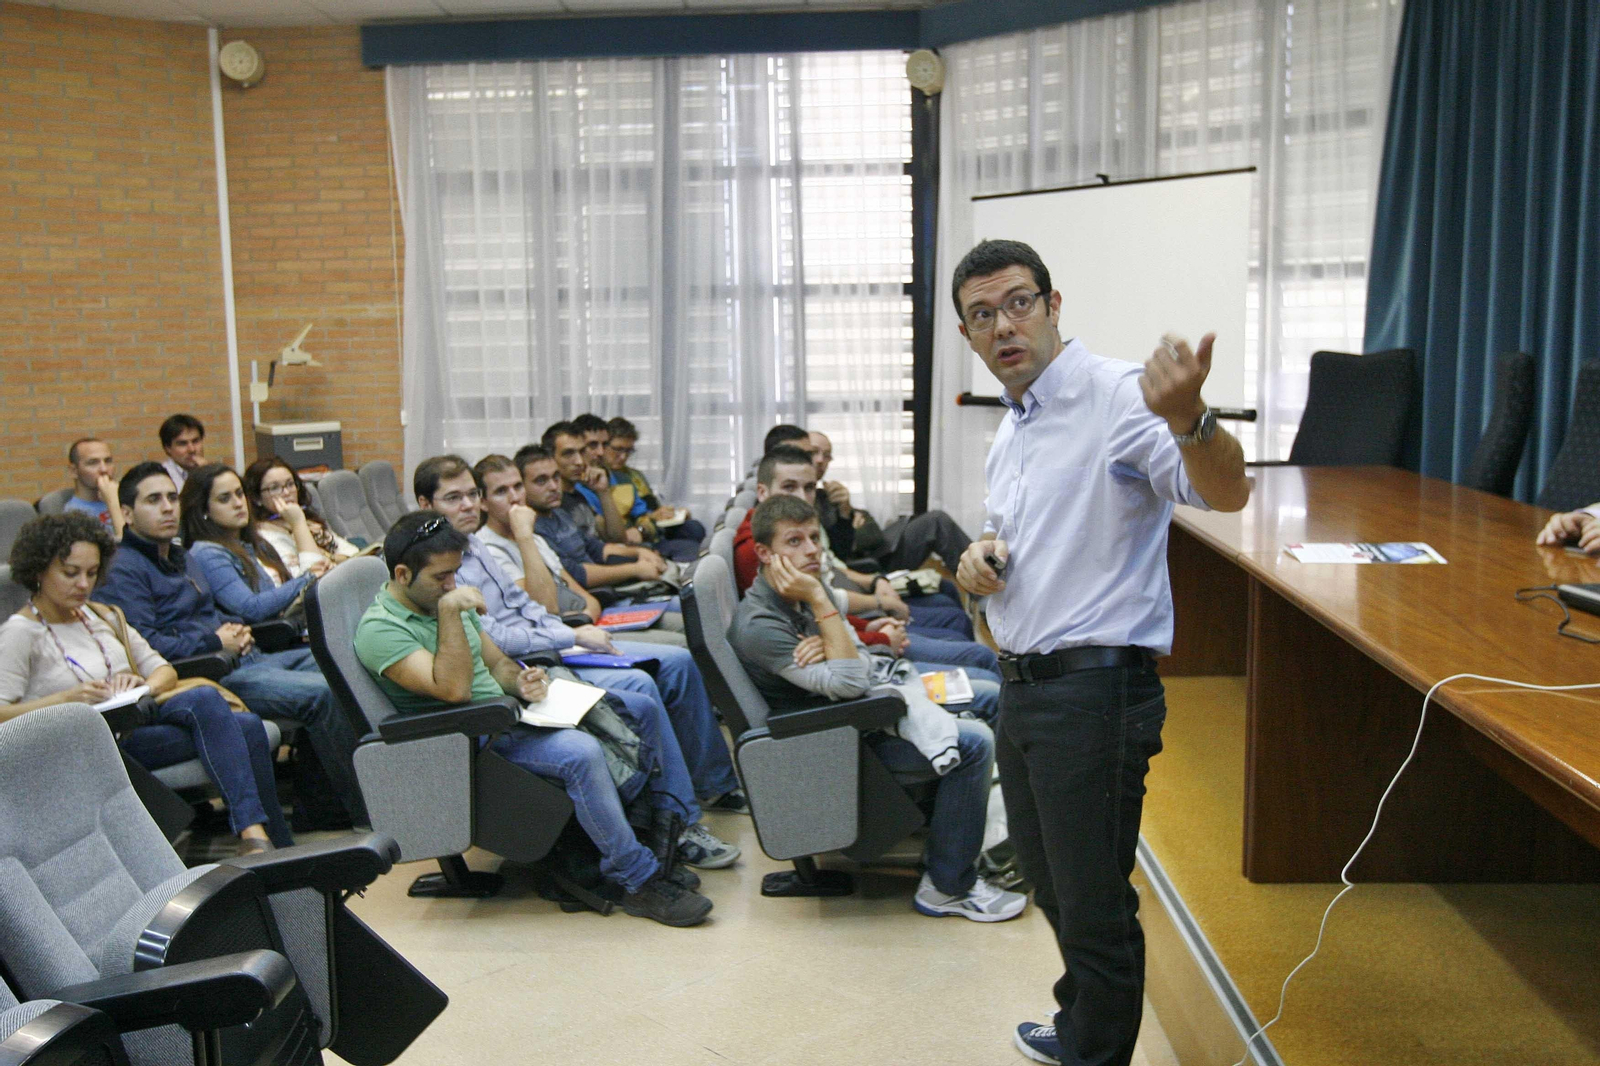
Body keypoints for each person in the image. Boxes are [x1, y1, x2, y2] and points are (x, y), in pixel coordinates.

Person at [949, 239, 1250, 1066]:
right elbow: (1011, 541)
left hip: (1094, 695)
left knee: (1092, 900)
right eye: (982, 315)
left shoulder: (1119, 396)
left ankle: (1097, 1055)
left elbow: (1227, 491)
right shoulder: (1012, 429)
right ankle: (1081, 1023)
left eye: (1017, 303)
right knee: (1050, 882)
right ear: (969, 336)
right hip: (1024, 687)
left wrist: (1191, 418)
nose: (1003, 325)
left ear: (1052, 305)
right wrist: (979, 561)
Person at [353, 512, 714, 926]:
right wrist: (451, 613)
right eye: (441, 577)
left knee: (641, 708)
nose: (452, 584)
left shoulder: (440, 597)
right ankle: (637, 878)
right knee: (580, 753)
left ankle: (660, 838)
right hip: (470, 738)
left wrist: (521, 681)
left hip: (511, 714)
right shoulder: (380, 630)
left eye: (455, 573)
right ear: (402, 573)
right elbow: (453, 690)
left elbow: (497, 664)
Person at [415, 455, 748, 844]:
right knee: (642, 689)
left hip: (550, 646)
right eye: (454, 498)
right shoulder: (437, 564)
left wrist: (565, 630)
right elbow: (494, 638)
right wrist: (569, 636)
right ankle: (679, 823)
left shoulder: (472, 544)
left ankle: (713, 785)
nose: (469, 505)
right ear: (426, 506)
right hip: (520, 669)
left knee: (677, 661)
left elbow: (526, 607)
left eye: (471, 494)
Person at [730, 495, 1025, 922]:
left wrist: (841, 632)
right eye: (794, 541)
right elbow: (848, 683)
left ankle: (971, 830)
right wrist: (820, 602)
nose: (812, 550)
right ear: (763, 553)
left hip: (866, 701)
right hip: (838, 738)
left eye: (814, 537)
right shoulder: (763, 622)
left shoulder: (794, 588)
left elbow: (845, 641)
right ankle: (947, 885)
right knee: (976, 742)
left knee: (989, 695)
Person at [93, 461, 368, 828]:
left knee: (347, 664)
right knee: (326, 693)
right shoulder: (123, 569)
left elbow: (215, 613)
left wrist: (234, 630)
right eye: (153, 500)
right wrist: (215, 640)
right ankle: (360, 809)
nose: (167, 507)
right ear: (126, 512)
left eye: (171, 498)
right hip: (211, 678)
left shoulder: (181, 557)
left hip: (248, 657)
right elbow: (147, 646)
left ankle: (319, 799)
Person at [0, 512, 291, 854]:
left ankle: (263, 842)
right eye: (70, 573)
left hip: (139, 718)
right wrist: (68, 698)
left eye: (92, 574)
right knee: (239, 723)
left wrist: (141, 686)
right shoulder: (20, 633)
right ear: (38, 571)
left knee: (231, 716)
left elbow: (165, 671)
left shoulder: (102, 616)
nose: (83, 584)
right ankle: (266, 842)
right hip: (94, 745)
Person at [734, 446, 985, 655]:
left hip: (851, 627)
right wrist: (876, 632)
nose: (801, 496)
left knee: (953, 611)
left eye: (809, 488)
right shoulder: (757, 548)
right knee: (974, 648)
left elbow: (827, 584)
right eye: (789, 487)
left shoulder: (798, 522)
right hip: (850, 652)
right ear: (762, 492)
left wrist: (873, 603)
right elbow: (805, 630)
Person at [476, 452, 687, 648]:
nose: (514, 497)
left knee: (684, 628)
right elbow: (546, 606)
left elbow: (583, 594)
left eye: (517, 487)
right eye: (501, 491)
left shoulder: (535, 537)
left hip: (584, 624)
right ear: (483, 502)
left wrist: (587, 619)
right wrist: (523, 536)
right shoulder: (490, 548)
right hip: (555, 640)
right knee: (678, 654)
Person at [527, 437, 679, 596]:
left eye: (555, 477)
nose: (580, 461)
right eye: (541, 481)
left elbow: (597, 546)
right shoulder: (534, 524)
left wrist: (639, 553)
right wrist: (635, 569)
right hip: (592, 591)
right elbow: (574, 574)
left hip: (603, 576)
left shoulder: (561, 509)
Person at [810, 429, 973, 575]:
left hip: (877, 553)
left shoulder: (827, 495)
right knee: (937, 522)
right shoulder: (797, 500)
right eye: (814, 452)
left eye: (826, 455)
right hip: (861, 569)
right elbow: (843, 547)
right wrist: (852, 523)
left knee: (935, 521)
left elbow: (873, 532)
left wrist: (847, 511)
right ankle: (984, 584)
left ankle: (984, 581)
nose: (820, 460)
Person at [181, 463, 313, 624]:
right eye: (224, 499)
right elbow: (251, 609)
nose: (238, 503)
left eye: (239, 493)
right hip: (261, 643)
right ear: (204, 510)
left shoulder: (255, 543)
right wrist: (308, 578)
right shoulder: (207, 553)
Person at [601, 417, 707, 561]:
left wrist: (674, 514)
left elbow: (650, 507)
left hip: (653, 527)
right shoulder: (602, 479)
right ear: (603, 447)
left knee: (694, 528)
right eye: (618, 449)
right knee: (691, 548)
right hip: (638, 534)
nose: (623, 457)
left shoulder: (634, 475)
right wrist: (652, 518)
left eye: (629, 450)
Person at [243, 457, 358, 577]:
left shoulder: (307, 521)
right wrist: (298, 524)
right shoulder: (264, 536)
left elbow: (354, 554)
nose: (287, 492)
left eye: (290, 484)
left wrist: (330, 557)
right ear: (257, 498)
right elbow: (315, 577)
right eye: (274, 488)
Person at [61, 438, 125, 539]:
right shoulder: (72, 515)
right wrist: (112, 501)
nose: (104, 469)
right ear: (73, 471)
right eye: (93, 463)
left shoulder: (128, 502)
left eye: (108, 461)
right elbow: (127, 548)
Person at [158, 414, 206, 491]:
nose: (192, 449)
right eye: (183, 444)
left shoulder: (208, 472)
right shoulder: (162, 477)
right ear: (167, 448)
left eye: (195, 441)